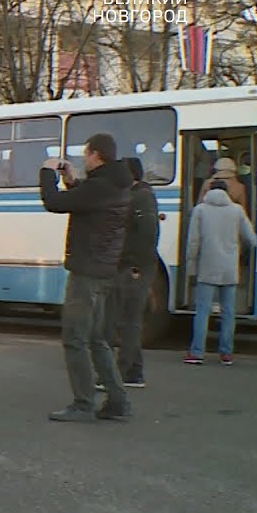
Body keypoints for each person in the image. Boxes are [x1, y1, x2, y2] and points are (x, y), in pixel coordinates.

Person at [38, 134, 135, 423]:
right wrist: (72, 179)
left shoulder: (101, 187)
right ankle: (117, 401)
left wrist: (47, 171)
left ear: (97, 155)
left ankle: (83, 403)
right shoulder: (117, 184)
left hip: (86, 272)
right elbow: (85, 201)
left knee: (75, 338)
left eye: (86, 154)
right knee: (96, 340)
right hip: (104, 271)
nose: (83, 159)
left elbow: (54, 202)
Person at [184, 179, 257, 365]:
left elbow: (193, 242)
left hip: (207, 267)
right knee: (228, 312)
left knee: (202, 311)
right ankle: (226, 353)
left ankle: (197, 353)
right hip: (229, 268)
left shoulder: (200, 210)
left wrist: (191, 264)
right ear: (227, 192)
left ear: (209, 190)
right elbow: (252, 239)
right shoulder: (237, 210)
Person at [103, 157, 159, 388]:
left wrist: (135, 267)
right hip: (132, 266)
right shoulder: (139, 196)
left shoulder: (141, 198)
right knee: (129, 320)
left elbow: (147, 235)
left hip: (133, 267)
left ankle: (122, 372)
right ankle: (133, 373)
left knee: (124, 320)